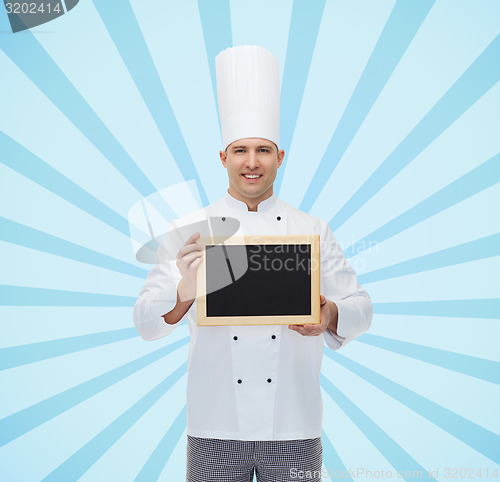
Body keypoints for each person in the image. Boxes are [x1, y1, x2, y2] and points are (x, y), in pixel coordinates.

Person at [133, 45, 372, 482]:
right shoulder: (189, 229)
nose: (251, 162)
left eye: (263, 149)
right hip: (212, 426)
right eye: (240, 149)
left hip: (295, 427)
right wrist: (183, 296)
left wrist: (330, 313)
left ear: (280, 157)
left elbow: (362, 307)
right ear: (223, 158)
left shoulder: (312, 229)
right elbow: (145, 321)